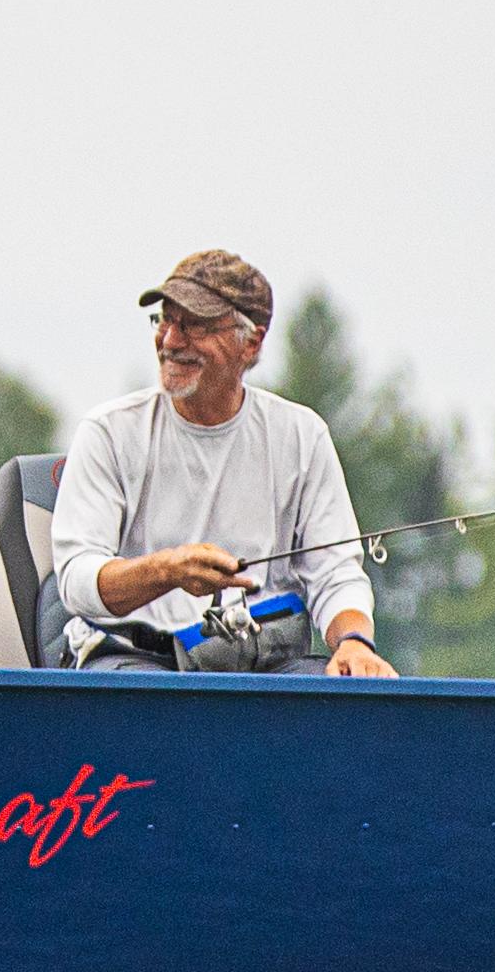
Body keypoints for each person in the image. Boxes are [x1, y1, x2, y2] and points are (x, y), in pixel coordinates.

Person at [49, 249, 395, 677]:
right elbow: (78, 582)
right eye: (165, 321)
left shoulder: (302, 435)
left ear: (251, 342)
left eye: (194, 325)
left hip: (269, 662)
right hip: (132, 658)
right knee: (151, 712)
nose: (171, 341)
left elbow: (336, 573)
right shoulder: (108, 432)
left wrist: (355, 645)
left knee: (334, 704)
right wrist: (167, 570)